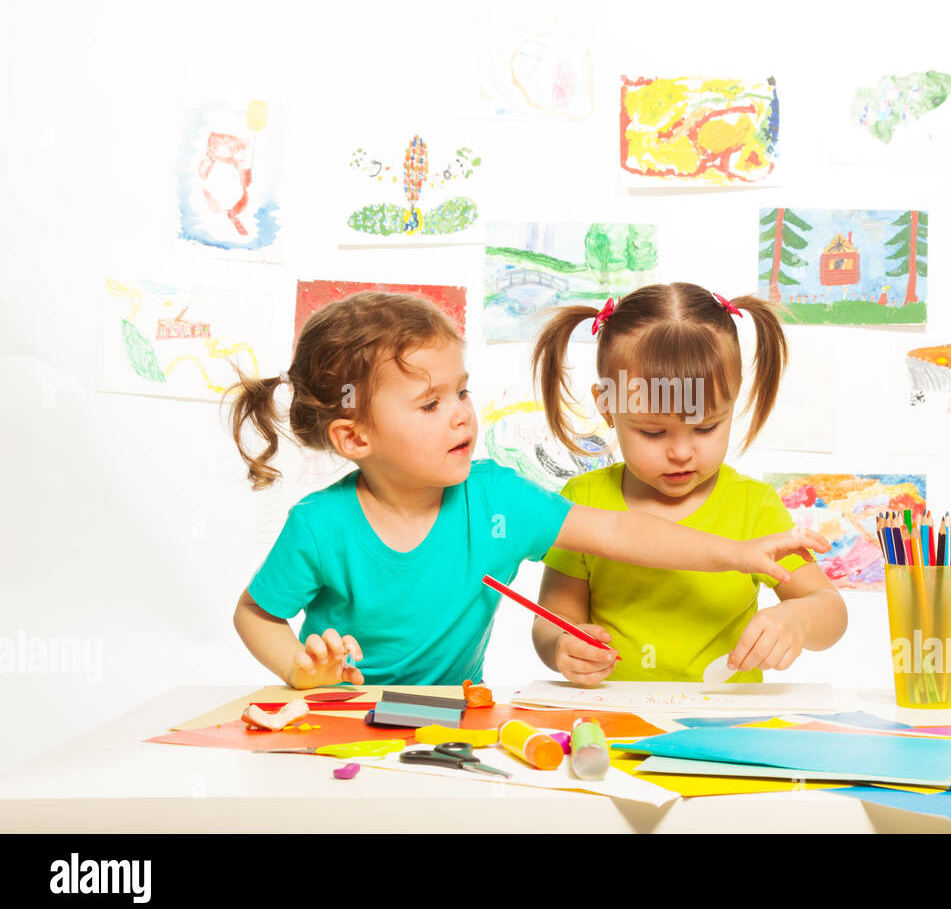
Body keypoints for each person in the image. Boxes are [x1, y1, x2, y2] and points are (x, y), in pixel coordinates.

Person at [224, 291, 829, 688]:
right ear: (355, 438)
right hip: (338, 720)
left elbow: (623, 532)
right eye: (431, 403)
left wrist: (734, 553)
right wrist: (301, 671)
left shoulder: (500, 501)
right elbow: (256, 614)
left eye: (461, 391)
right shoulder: (319, 525)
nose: (462, 414)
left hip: (452, 726)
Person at [530, 283, 847, 685]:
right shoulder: (585, 501)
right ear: (607, 405)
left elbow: (831, 610)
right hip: (610, 723)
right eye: (653, 432)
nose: (681, 452)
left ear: (732, 402)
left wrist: (797, 620)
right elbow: (549, 623)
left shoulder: (753, 506)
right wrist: (562, 645)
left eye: (706, 427)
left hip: (725, 728)